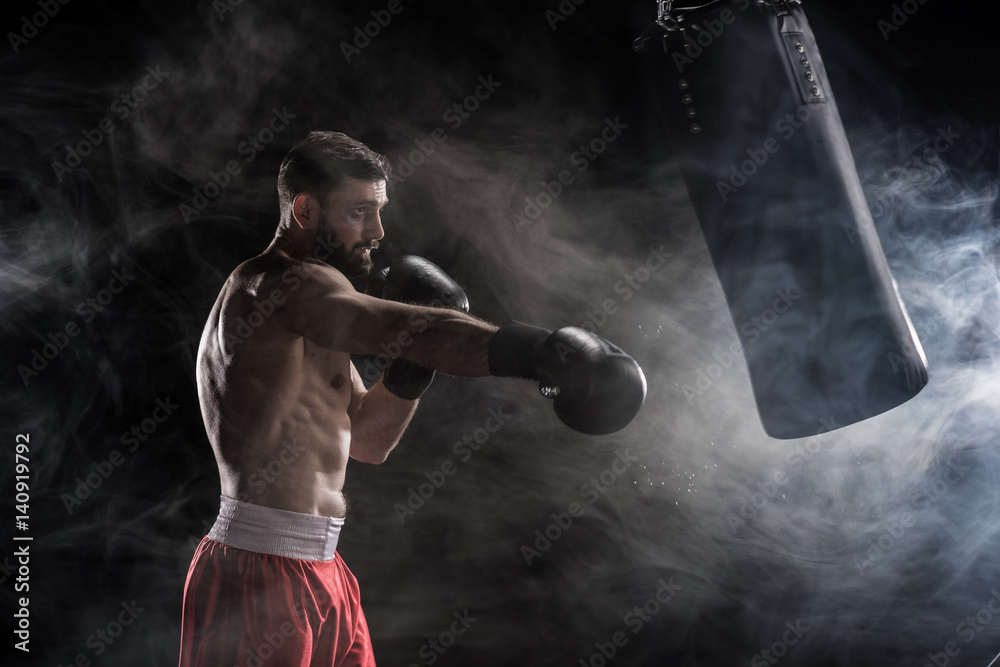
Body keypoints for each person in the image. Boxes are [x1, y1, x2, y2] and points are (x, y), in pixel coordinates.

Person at [178, 130, 645, 666]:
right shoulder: (277, 287)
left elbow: (370, 440)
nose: (377, 231)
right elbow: (403, 328)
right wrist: (540, 352)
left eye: (378, 211)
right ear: (304, 209)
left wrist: (413, 362)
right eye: (359, 212)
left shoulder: (311, 311)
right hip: (259, 574)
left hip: (325, 569)